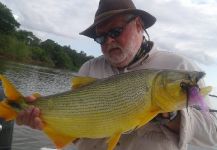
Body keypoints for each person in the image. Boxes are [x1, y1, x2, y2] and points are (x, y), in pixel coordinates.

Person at [16, 0, 217, 150]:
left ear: (139, 25)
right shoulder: (89, 69)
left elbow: (214, 133)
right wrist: (46, 121)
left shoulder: (179, 67)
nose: (108, 41)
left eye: (116, 31)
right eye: (100, 37)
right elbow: (77, 135)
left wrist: (172, 118)